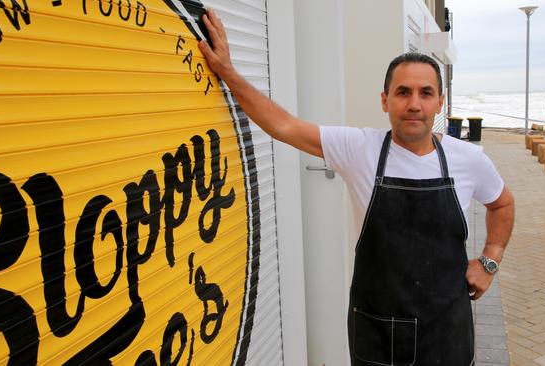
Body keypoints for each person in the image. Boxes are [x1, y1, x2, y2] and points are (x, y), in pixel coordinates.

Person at [198, 9, 514, 365]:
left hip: (448, 330)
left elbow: (501, 203)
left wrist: (490, 260)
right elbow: (282, 125)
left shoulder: (468, 159)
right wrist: (227, 71)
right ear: (385, 100)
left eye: (426, 93)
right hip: (377, 330)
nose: (414, 104)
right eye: (403, 92)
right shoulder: (359, 148)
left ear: (439, 102)